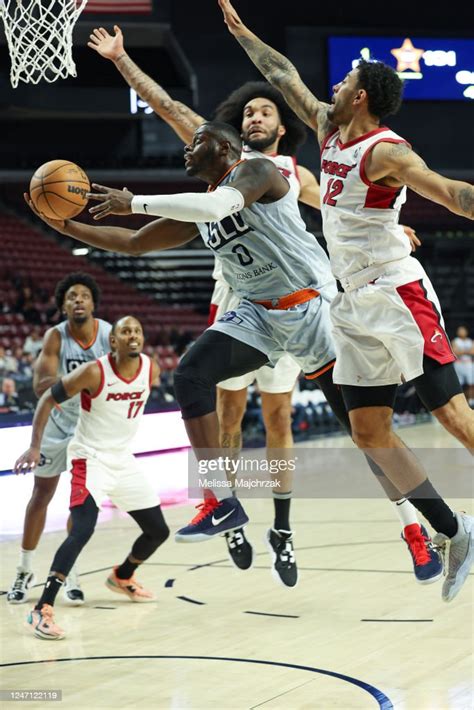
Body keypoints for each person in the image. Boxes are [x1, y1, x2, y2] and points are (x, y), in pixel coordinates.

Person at [26, 120, 442, 590]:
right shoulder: (201, 206)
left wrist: (133, 202)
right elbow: (136, 242)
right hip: (257, 315)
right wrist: (63, 224)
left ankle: (415, 527)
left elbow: (221, 203)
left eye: (195, 143)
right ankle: (222, 500)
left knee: (365, 434)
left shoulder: (259, 171)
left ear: (225, 147)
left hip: (310, 308)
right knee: (191, 376)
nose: (186, 150)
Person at [87, 26, 426, 579]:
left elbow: (349, 210)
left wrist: (395, 228)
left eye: (267, 111)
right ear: (232, 129)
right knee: (220, 407)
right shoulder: (217, 155)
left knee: (291, 421)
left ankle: (327, 525)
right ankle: (225, 509)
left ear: (281, 124)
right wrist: (123, 58)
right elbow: (167, 104)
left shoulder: (288, 171)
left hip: (307, 302)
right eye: (248, 113)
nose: (256, 117)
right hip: (245, 302)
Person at [217, 0, 474, 602]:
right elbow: (283, 75)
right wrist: (242, 32)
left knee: (452, 416)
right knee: (368, 430)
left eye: (345, 81)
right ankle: (456, 531)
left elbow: (451, 192)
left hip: (395, 291)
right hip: (350, 302)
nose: (334, 85)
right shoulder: (331, 132)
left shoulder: (386, 151)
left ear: (361, 97)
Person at [14, 315, 168, 640]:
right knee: (82, 528)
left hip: (123, 460)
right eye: (125, 331)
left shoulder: (151, 368)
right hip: (90, 458)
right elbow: (47, 398)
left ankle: (122, 576)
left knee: (158, 531)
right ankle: (41, 609)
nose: (132, 336)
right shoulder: (94, 371)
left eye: (137, 330)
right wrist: (33, 446)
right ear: (113, 341)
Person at [7, 273, 111, 605]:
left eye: (83, 295)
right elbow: (40, 388)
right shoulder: (55, 337)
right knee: (41, 495)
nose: (78, 300)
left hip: (92, 430)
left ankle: (70, 572)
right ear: (63, 305)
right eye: (71, 296)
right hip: (56, 426)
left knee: (79, 503)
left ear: (93, 303)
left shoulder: (109, 334)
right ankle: (24, 570)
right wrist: (85, 380)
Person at [451, 326, 474, 405]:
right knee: (459, 384)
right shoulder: (455, 341)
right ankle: (462, 401)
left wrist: (461, 351)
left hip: (468, 364)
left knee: (471, 383)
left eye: (463, 330)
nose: (462, 332)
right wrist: (467, 351)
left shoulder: (470, 341)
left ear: (466, 332)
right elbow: (455, 352)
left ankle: (471, 400)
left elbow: (472, 352)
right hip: (459, 364)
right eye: (460, 330)